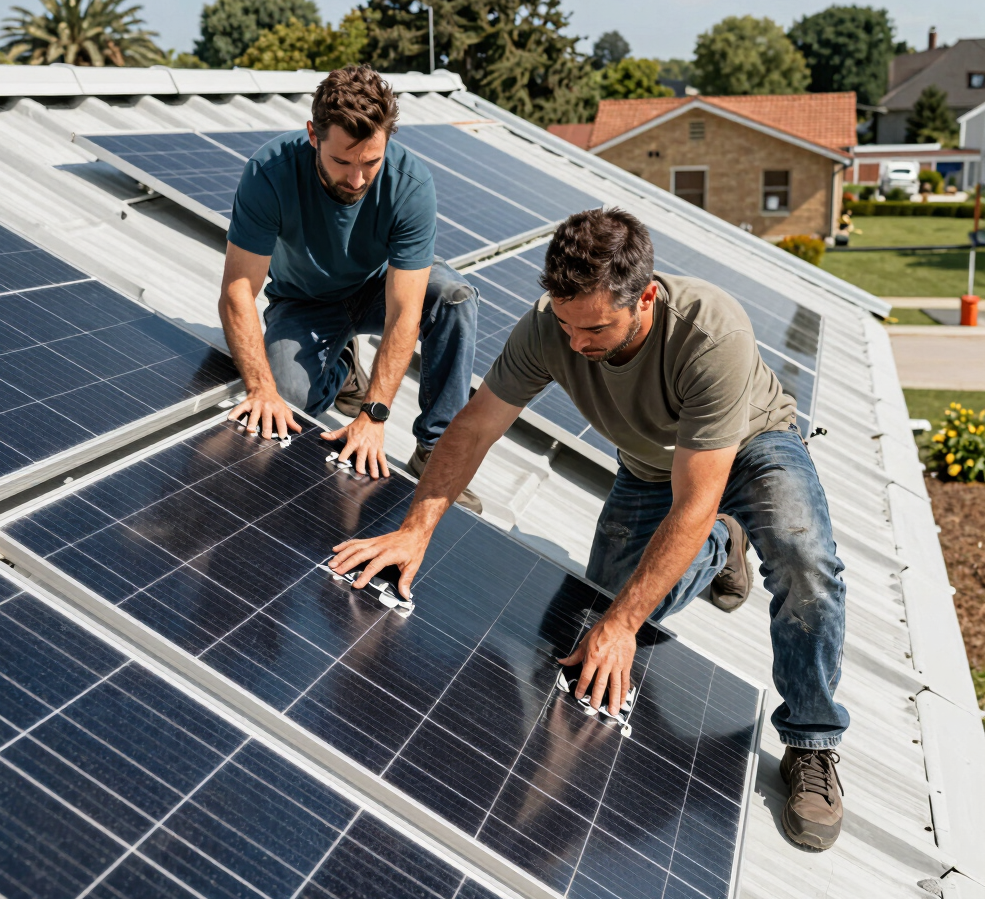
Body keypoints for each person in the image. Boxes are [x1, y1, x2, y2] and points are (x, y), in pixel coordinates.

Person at [329, 207, 848, 851]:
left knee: (803, 563)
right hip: (652, 466)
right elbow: (474, 427)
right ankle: (720, 546)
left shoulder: (710, 334)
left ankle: (812, 742)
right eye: (567, 325)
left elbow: (694, 499)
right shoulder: (553, 327)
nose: (577, 345)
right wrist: (415, 530)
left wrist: (625, 624)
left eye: (596, 328)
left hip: (748, 446)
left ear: (647, 298)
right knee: (596, 611)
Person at [218, 65, 481, 511]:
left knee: (454, 299)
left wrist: (373, 416)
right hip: (305, 300)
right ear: (312, 136)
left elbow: (404, 313)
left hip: (381, 285)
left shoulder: (411, 185)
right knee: (284, 407)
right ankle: (340, 366)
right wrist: (261, 388)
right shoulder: (270, 173)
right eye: (342, 161)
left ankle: (435, 453)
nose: (357, 179)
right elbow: (238, 290)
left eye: (370, 162)